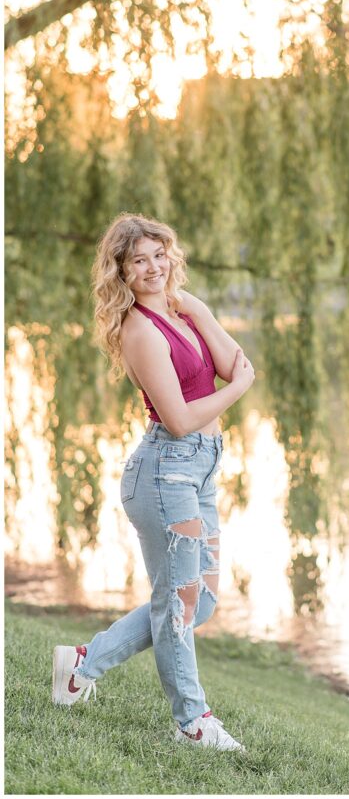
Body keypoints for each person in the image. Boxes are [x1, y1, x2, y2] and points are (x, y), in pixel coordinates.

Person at [51, 212, 255, 752]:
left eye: (158, 254)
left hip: (201, 469)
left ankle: (82, 663)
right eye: (138, 260)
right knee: (179, 603)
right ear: (121, 271)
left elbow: (234, 361)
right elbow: (181, 417)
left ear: (171, 254)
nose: (152, 267)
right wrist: (240, 390)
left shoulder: (183, 311)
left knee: (200, 600)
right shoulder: (140, 330)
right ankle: (193, 720)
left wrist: (203, 312)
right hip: (166, 474)